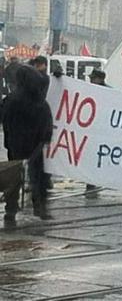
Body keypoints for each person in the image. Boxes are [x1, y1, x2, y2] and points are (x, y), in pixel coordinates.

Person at [2, 65, 54, 221]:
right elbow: (47, 127)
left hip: (15, 144)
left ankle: (11, 207)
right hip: (35, 146)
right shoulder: (42, 103)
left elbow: (4, 118)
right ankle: (40, 207)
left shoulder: (12, 99)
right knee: (38, 176)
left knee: (14, 176)